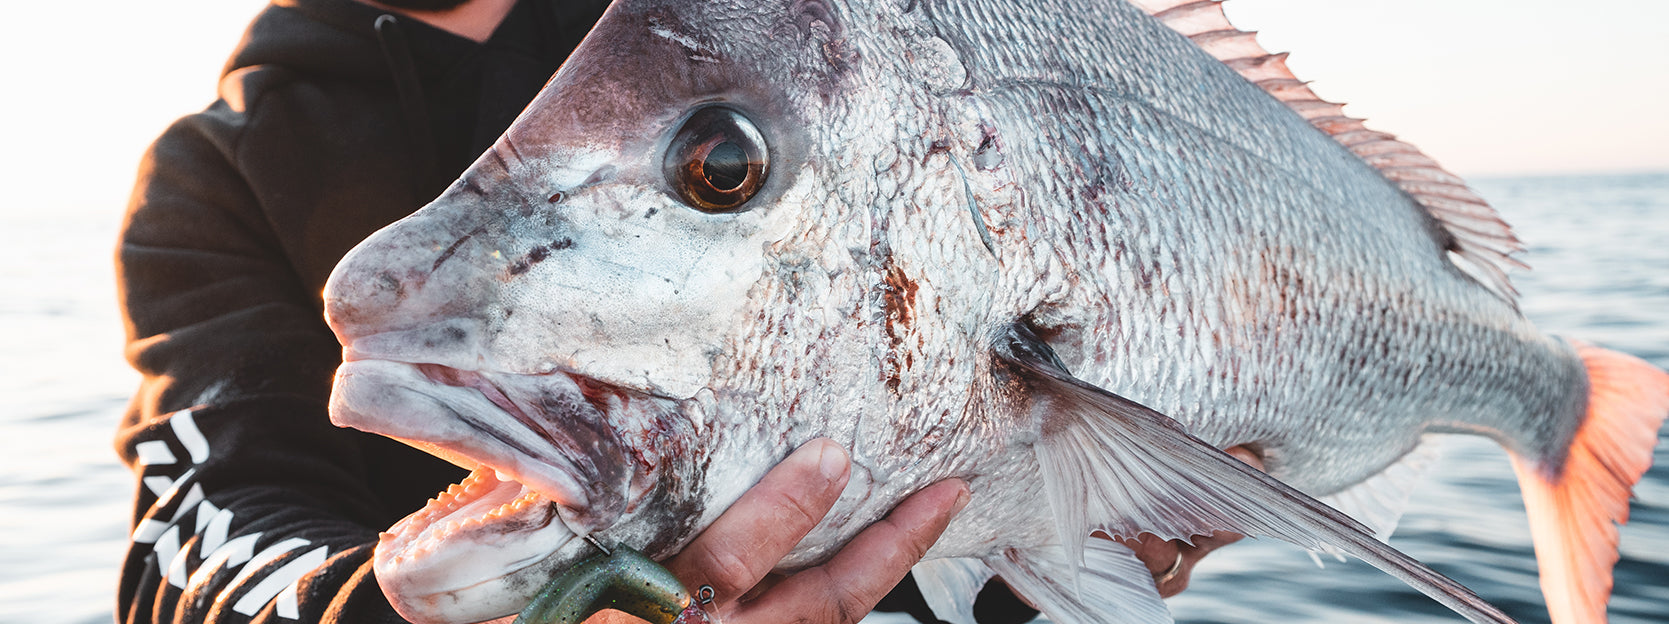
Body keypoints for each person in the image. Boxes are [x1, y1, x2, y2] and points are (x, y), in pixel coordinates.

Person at [115, 1, 1259, 622]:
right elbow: (191, 548)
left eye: (719, 170)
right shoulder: (213, 173)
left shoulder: (778, 38)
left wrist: (1098, 535)